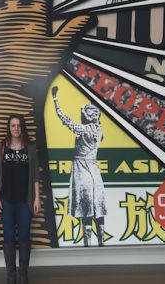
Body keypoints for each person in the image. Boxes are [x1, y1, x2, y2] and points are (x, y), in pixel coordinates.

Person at [52, 86, 107, 247]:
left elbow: (63, 118)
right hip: (95, 172)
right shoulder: (99, 130)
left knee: (86, 209)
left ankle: (87, 244)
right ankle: (101, 242)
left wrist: (55, 100)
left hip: (82, 172)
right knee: (98, 207)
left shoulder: (81, 129)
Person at [0, 114, 40, 284]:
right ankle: (11, 274)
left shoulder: (31, 148)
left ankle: (23, 274)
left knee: (25, 235)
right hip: (6, 200)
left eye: (19, 125)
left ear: (22, 127)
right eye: (13, 125)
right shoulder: (2, 147)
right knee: (9, 236)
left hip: (25, 200)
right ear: (9, 128)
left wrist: (37, 198)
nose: (16, 128)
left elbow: (35, 176)